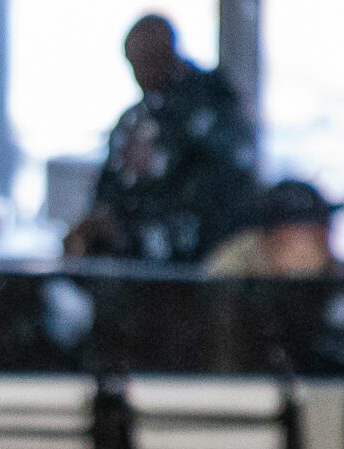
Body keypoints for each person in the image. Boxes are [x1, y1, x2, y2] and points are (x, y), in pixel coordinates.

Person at [67, 14, 255, 266]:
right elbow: (111, 187)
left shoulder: (211, 106)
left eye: (150, 60)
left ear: (169, 54)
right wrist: (98, 226)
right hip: (137, 268)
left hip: (199, 262)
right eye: (135, 64)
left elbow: (223, 183)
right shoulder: (135, 120)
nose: (142, 73)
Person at [204, 179, 344, 281]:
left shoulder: (335, 272)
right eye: (306, 235)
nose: (321, 242)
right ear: (273, 238)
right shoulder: (232, 268)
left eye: (324, 228)